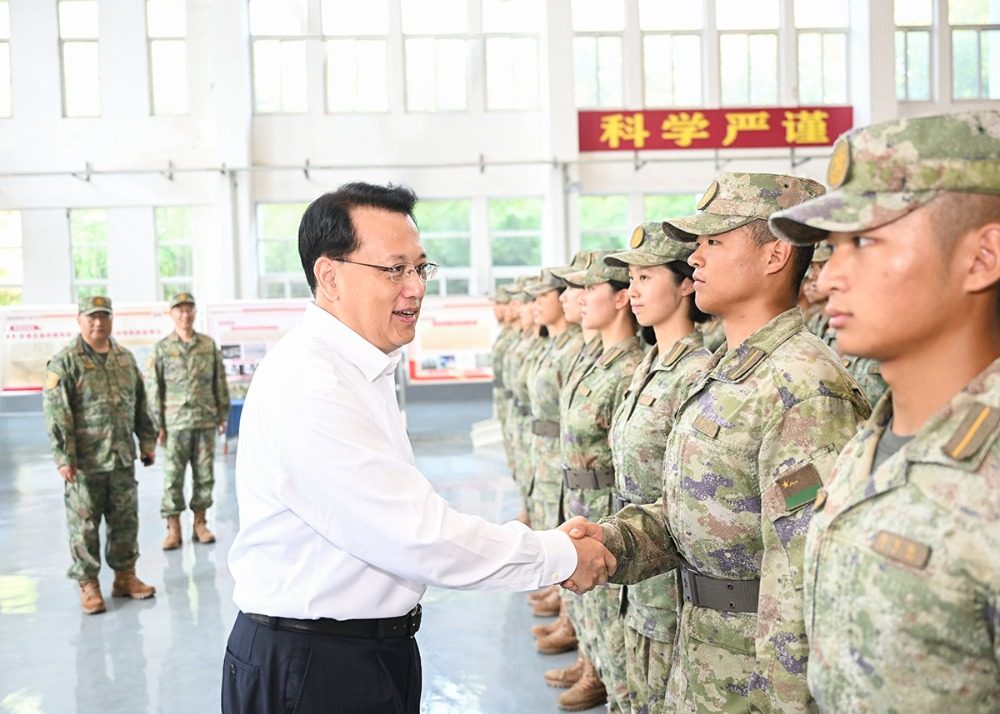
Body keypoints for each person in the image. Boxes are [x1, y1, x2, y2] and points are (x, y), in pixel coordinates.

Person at [222, 182, 616, 714]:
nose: (415, 288)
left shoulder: (360, 367)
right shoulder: (311, 382)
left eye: (420, 268)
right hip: (314, 667)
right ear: (330, 275)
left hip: (359, 650)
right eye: (394, 270)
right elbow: (415, 534)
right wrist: (558, 554)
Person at [564, 173, 871, 713]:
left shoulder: (802, 387)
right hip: (704, 653)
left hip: (755, 680)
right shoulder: (730, 371)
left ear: (775, 255)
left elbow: (803, 575)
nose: (695, 258)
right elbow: (698, 514)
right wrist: (612, 541)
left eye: (714, 242)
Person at [769, 109, 1000, 712]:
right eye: (833, 247)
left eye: (865, 242)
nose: (830, 277)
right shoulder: (873, 442)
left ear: (983, 257)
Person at [603, 223, 712, 714]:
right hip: (639, 565)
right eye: (631, 279)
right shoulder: (649, 364)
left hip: (669, 577)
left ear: (686, 283)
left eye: (646, 277)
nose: (634, 291)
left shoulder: (696, 371)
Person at [558, 250, 645, 712]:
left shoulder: (629, 367)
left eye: (590, 288)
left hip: (606, 505)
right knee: (592, 609)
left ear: (620, 298)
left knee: (611, 616)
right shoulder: (599, 359)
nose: (576, 298)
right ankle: (593, 665)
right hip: (580, 497)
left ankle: (608, 682)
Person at [42, 295, 158, 614]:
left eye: (104, 316)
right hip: (85, 463)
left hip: (121, 458)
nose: (98, 322)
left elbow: (140, 404)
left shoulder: (125, 359)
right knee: (85, 526)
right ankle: (88, 583)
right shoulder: (65, 362)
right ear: (79, 320)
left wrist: (147, 442)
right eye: (91, 317)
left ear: (111, 319)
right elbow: (57, 414)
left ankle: (125, 576)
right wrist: (64, 458)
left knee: (125, 521)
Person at [145, 292, 230, 550]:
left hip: (205, 420)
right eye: (179, 310)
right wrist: (158, 424)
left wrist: (222, 413)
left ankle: (200, 523)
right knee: (173, 477)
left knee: (205, 475)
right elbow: (154, 388)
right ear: (171, 314)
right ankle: (173, 528)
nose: (185, 315)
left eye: (189, 309)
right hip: (174, 424)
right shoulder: (162, 349)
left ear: (194, 313)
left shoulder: (207, 345)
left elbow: (219, 380)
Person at [524, 268, 584, 627]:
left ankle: (569, 618)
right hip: (545, 450)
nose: (536, 304)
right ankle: (565, 608)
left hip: (564, 455)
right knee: (550, 521)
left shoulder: (574, 348)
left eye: (541, 296)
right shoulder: (556, 346)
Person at [801, 243, 888, 406]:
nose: (814, 276)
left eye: (822, 266)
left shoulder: (880, 330)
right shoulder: (817, 323)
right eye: (814, 267)